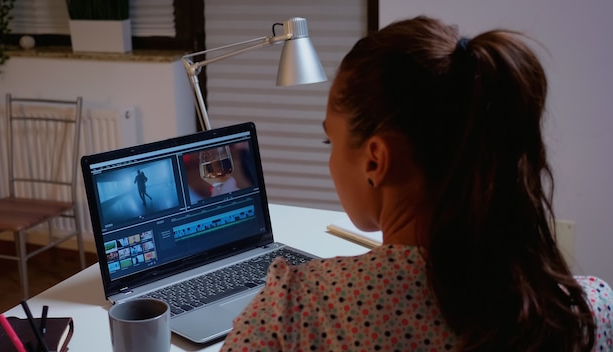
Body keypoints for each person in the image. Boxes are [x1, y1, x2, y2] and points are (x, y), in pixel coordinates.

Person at [221, 16, 612, 351]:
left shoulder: (295, 309)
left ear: (375, 159)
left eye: (331, 141)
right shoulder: (588, 313)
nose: (330, 157)